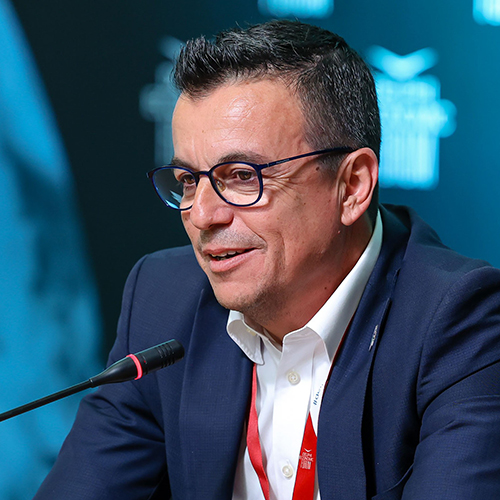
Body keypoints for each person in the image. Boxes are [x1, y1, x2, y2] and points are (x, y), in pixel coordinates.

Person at [34, 20, 500, 500]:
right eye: (189, 181)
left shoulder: (460, 322)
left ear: (352, 186)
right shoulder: (162, 301)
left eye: (241, 176)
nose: (203, 215)